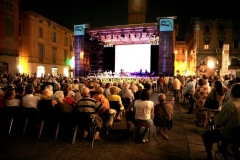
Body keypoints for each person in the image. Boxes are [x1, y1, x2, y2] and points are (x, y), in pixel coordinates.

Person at [199, 83, 240, 160]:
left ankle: (209, 157)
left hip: (230, 132)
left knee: (206, 136)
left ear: (232, 92)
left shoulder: (231, 104)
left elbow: (219, 122)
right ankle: (223, 150)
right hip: (238, 132)